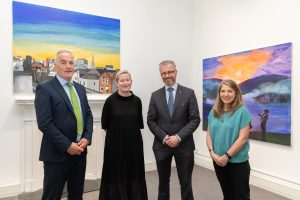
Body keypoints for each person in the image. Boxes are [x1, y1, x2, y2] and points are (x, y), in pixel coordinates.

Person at [35, 50, 93, 200]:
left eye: (71, 62)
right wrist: (67, 146)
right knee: (51, 196)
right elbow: (45, 123)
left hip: (80, 152)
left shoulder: (80, 89)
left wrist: (87, 138)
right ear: (55, 65)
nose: (68, 66)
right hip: (57, 155)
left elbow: (88, 115)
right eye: (63, 62)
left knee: (76, 195)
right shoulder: (45, 89)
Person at [147, 60, 200, 200]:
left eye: (170, 72)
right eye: (163, 73)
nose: (167, 75)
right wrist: (165, 138)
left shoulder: (189, 93)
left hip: (184, 146)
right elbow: (151, 120)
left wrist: (178, 137)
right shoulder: (155, 95)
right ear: (160, 75)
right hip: (161, 146)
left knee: (186, 183)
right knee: (163, 183)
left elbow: (195, 119)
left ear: (176, 72)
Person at [99, 70, 148, 200]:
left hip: (134, 145)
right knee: (115, 173)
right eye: (122, 80)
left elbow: (138, 124)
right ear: (117, 83)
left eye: (127, 80)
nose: (125, 83)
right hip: (115, 146)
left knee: (133, 173)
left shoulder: (137, 101)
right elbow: (105, 125)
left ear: (131, 81)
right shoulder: (110, 101)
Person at [206, 79, 252, 200]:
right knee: (227, 195)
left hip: (237, 163)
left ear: (236, 93)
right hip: (218, 161)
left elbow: (243, 139)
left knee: (241, 196)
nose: (226, 94)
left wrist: (226, 156)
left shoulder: (242, 112)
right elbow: (209, 135)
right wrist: (212, 153)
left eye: (230, 91)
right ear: (219, 93)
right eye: (223, 91)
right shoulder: (213, 112)